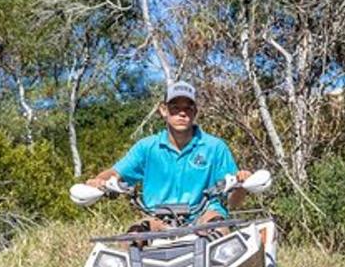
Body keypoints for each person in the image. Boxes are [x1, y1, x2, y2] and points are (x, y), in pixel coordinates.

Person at [87, 81, 251, 230]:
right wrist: (98, 182)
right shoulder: (147, 147)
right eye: (175, 107)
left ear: (195, 112)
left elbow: (233, 202)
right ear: (163, 110)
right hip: (157, 219)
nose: (182, 113)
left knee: (218, 228)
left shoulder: (215, 147)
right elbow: (115, 173)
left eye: (188, 108)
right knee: (134, 236)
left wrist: (242, 183)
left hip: (205, 216)